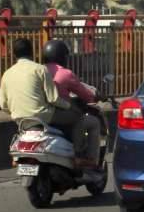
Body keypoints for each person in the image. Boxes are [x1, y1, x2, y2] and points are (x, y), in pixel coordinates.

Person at [0, 38, 88, 159]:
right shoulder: (40, 69)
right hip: (43, 117)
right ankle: (79, 156)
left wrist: (18, 112)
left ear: (13, 54)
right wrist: (71, 107)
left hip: (21, 121)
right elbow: (53, 99)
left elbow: (3, 105)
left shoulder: (7, 74)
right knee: (77, 117)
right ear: (32, 52)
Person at [42, 39, 101, 168]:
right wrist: (94, 97)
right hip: (58, 115)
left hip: (40, 115)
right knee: (91, 122)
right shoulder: (65, 73)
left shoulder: (39, 70)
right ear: (62, 56)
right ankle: (84, 157)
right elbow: (86, 95)